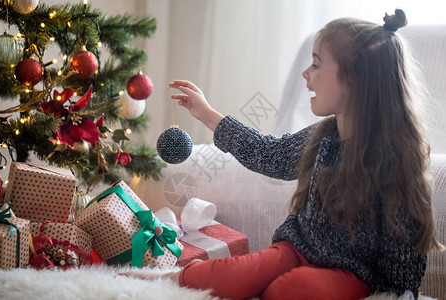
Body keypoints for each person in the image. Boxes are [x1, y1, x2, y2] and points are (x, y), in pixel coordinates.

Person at [120, 9, 444, 300]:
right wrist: (207, 114)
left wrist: (402, 293)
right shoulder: (322, 136)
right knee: (239, 273)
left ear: (354, 81)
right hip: (294, 250)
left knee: (291, 289)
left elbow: (405, 252)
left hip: (353, 274)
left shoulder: (393, 160)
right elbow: (268, 153)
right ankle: (170, 278)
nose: (306, 73)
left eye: (317, 64)